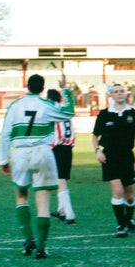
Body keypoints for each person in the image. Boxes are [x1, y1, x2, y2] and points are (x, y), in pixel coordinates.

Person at [0, 73, 74, 259]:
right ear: (42, 88)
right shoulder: (46, 105)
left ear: (27, 86)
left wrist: (3, 160)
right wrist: (66, 91)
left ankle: (28, 238)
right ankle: (41, 248)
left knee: (21, 195)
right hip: (43, 152)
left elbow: (5, 134)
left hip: (21, 154)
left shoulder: (15, 106)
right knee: (43, 200)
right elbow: (69, 112)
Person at [92, 83, 135, 238]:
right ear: (111, 95)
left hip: (127, 157)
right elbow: (95, 136)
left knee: (129, 195)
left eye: (122, 91)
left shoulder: (134, 114)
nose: (119, 94)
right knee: (117, 191)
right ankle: (121, 225)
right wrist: (98, 151)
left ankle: (129, 219)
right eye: (116, 91)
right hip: (109, 157)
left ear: (126, 93)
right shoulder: (104, 114)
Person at [46, 89, 77, 225]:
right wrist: (66, 91)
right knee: (61, 179)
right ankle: (61, 210)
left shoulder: (52, 111)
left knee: (60, 181)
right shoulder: (66, 110)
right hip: (68, 148)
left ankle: (70, 214)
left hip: (58, 148)